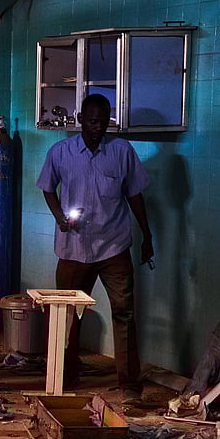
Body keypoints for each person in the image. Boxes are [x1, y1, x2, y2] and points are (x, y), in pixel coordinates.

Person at [36, 93, 153, 402]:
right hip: (73, 248)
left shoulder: (121, 151)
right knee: (68, 315)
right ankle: (66, 375)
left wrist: (147, 235)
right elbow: (47, 188)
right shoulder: (60, 152)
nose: (98, 127)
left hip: (114, 246)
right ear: (79, 120)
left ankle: (129, 384)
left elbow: (135, 195)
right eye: (91, 122)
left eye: (103, 122)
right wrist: (60, 217)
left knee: (124, 312)